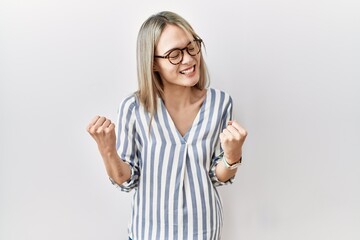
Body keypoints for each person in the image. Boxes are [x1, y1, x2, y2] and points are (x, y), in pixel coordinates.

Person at [86, 11, 247, 240]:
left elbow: (216, 176)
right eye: (174, 55)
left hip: (204, 232)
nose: (189, 59)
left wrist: (233, 155)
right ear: (153, 63)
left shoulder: (221, 103)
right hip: (148, 233)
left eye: (192, 46)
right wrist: (107, 150)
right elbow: (127, 180)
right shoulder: (134, 108)